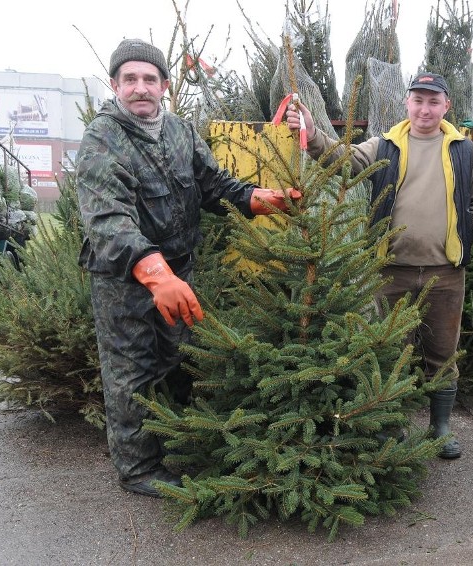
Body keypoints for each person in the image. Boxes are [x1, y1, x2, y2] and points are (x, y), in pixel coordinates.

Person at [76, 38, 300, 497]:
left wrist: (256, 199)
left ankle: (176, 443)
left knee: (177, 360)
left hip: (181, 272)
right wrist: (156, 275)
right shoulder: (103, 138)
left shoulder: (180, 130)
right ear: (115, 84)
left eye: (149, 79)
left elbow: (211, 183)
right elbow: (109, 219)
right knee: (131, 370)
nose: (140, 88)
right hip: (126, 281)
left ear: (164, 84)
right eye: (130, 79)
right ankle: (137, 469)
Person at [284, 72, 473, 459]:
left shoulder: (465, 152)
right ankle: (391, 426)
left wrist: (467, 233)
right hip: (390, 271)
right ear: (407, 103)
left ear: (446, 105)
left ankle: (441, 427)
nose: (425, 108)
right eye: (418, 100)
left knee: (442, 352)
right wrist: (312, 134)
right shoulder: (386, 146)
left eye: (434, 101)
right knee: (390, 350)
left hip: (445, 273)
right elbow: (341, 160)